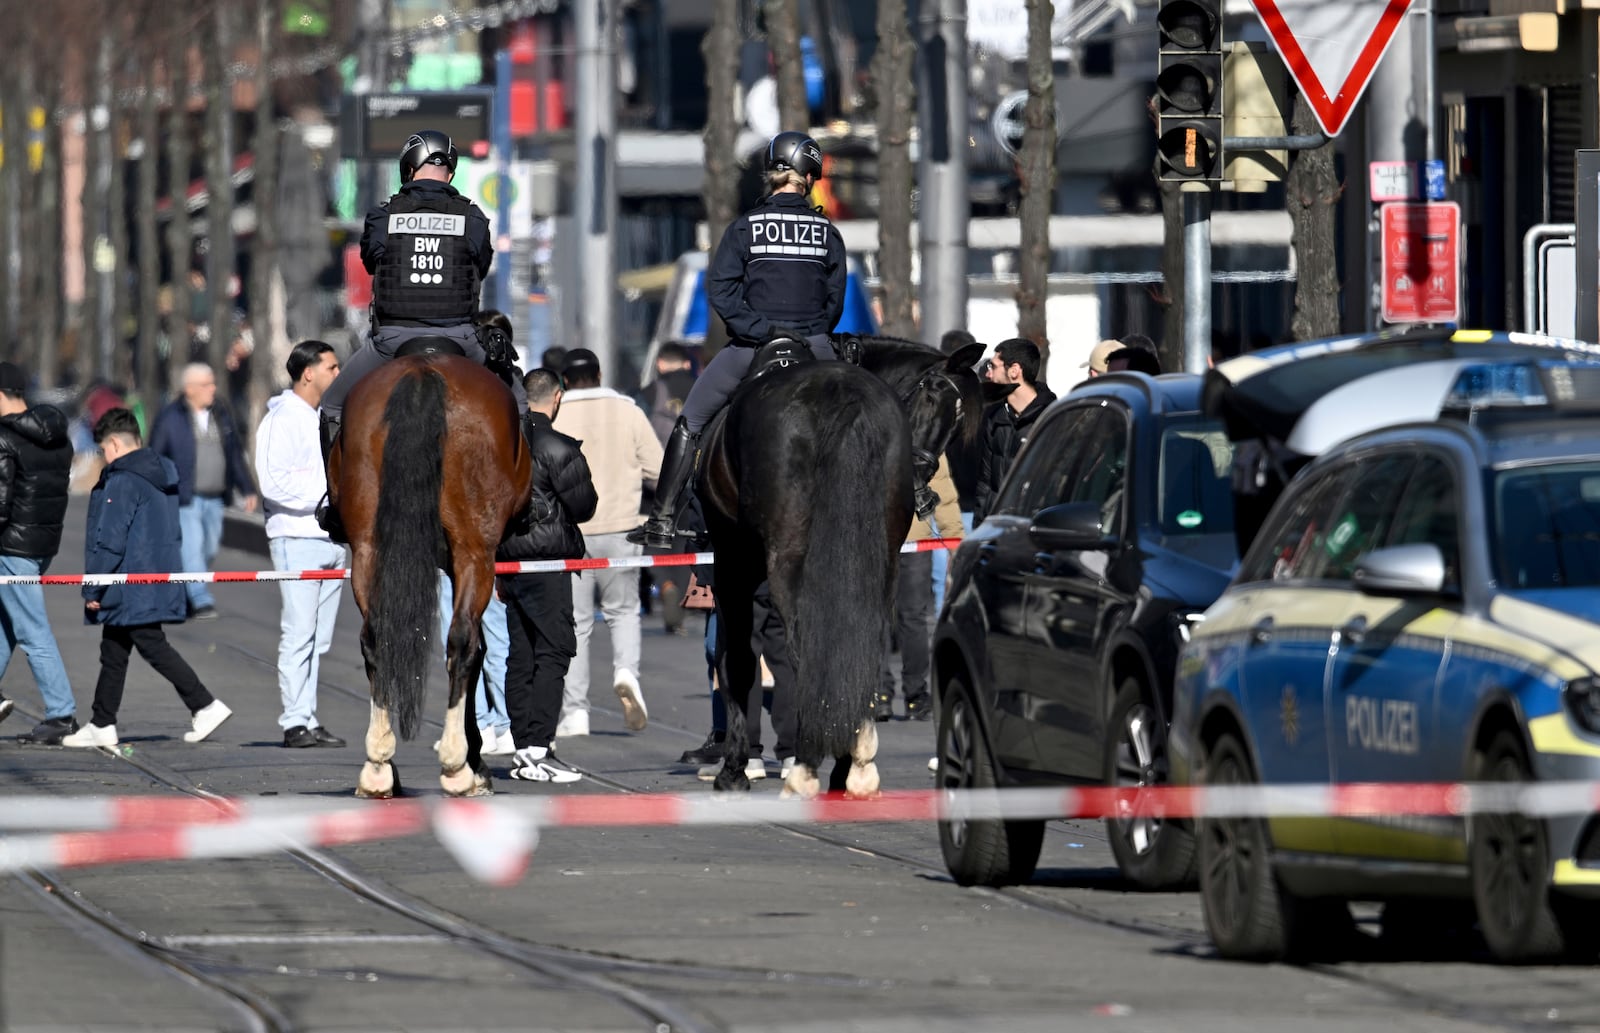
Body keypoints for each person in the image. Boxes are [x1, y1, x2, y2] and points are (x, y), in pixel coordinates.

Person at [629, 131, 847, 549]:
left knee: (691, 420)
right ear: (810, 176)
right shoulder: (826, 232)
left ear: (775, 173)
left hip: (752, 349)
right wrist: (807, 332)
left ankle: (662, 519)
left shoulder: (745, 227)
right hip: (813, 347)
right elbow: (834, 301)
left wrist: (763, 331)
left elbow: (723, 292)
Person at [317, 129, 527, 492]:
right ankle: (531, 497)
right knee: (520, 403)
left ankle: (338, 498)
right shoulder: (473, 218)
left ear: (409, 168)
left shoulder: (383, 215)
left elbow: (371, 262)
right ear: (450, 172)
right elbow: (480, 265)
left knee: (332, 406)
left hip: (391, 341)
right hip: (460, 337)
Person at [63, 409, 232, 748]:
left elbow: (109, 538)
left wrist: (94, 586)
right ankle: (102, 721)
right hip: (155, 577)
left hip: (130, 583)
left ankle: (204, 704)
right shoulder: (161, 474)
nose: (102, 459)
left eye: (102, 451)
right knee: (114, 649)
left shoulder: (122, 479)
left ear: (113, 444)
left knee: (152, 645)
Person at [551, 348, 662, 736]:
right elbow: (658, 468)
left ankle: (576, 711)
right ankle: (626, 672)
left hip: (570, 533)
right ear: (599, 373)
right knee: (623, 610)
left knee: (577, 623)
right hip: (622, 528)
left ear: (563, 381)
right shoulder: (628, 411)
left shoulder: (557, 413)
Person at [498, 368, 598, 781]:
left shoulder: (502, 445)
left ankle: (524, 746)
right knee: (555, 650)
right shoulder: (558, 447)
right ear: (557, 398)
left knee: (520, 654)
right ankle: (539, 748)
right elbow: (585, 506)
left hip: (508, 561)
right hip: (549, 561)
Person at [254, 341, 347, 749]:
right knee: (298, 634)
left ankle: (307, 716)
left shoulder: (324, 418)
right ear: (308, 372)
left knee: (319, 638)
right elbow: (273, 484)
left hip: (332, 539)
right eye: (332, 367)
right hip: (297, 537)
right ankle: (294, 721)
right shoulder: (281, 420)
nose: (337, 374)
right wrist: (328, 497)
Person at [0, 362, 79, 744]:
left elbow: (0, 504)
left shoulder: (3, 437)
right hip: (41, 544)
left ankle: (61, 713)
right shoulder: (56, 434)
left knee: (31, 629)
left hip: (10, 546)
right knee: (5, 624)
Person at [149, 362, 258, 620]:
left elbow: (233, 454)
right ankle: (200, 599)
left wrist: (248, 488)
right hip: (186, 497)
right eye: (206, 384)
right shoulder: (170, 418)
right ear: (189, 389)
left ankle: (186, 592)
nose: (213, 389)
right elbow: (155, 456)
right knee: (193, 547)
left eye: (213, 383)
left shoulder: (220, 414)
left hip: (216, 498)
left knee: (208, 549)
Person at [878, 453, 962, 722]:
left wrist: (954, 539)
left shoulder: (924, 432)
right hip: (876, 540)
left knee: (909, 618)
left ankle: (913, 694)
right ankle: (883, 693)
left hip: (913, 541)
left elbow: (942, 485)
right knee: (882, 618)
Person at [973, 338, 1057, 523]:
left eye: (993, 367)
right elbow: (985, 483)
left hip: (1034, 531)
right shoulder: (994, 416)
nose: (988, 375)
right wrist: (979, 529)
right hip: (994, 528)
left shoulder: (1052, 418)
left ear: (1014, 371)